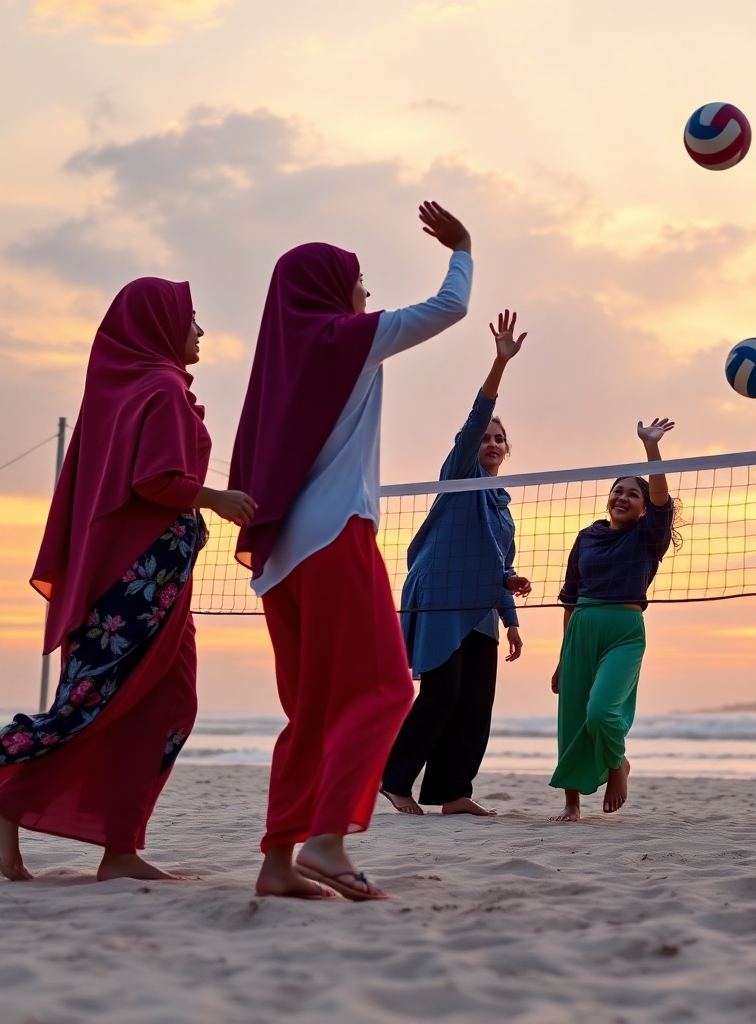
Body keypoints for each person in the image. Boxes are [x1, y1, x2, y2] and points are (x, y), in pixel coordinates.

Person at [229, 202, 473, 901]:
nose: (367, 292)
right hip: (337, 534)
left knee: (309, 712)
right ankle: (326, 841)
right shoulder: (351, 337)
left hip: (280, 556)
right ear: (333, 289)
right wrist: (462, 247)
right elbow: (451, 306)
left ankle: (278, 863)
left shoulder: (276, 365)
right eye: (359, 280)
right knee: (387, 689)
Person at [0, 278, 256, 883]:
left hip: (151, 577)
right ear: (162, 325)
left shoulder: (129, 388)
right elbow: (153, 481)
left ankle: (120, 850)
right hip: (137, 583)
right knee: (90, 707)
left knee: (164, 703)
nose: (199, 331)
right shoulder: (161, 387)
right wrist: (216, 497)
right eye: (191, 320)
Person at [381, 310, 532, 818]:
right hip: (441, 598)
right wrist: (500, 363)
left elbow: (498, 566)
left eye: (499, 438)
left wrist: (511, 618)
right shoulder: (459, 474)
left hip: (481, 609)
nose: (491, 442)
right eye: (486, 437)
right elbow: (475, 419)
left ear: (507, 450)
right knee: (442, 695)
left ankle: (451, 791)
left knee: (475, 705)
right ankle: (395, 779)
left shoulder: (503, 507)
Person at [549, 418, 678, 822]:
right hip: (581, 629)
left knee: (601, 711)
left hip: (624, 632)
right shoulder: (587, 536)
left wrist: (650, 448)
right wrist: (561, 655)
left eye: (633, 494)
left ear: (643, 506)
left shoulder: (647, 537)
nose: (623, 497)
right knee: (572, 717)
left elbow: (661, 500)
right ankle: (571, 804)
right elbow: (569, 597)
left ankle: (618, 767)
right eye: (618, 491)